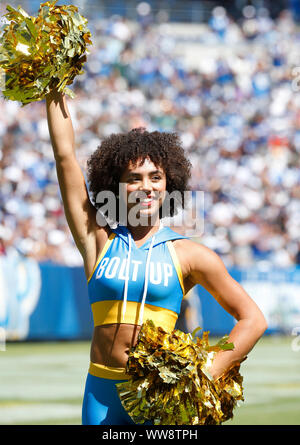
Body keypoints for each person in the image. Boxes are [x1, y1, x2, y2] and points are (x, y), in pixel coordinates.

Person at [45, 87, 267, 425]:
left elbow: (252, 319)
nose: (146, 186)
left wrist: (207, 371)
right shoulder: (98, 240)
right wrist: (52, 88)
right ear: (116, 187)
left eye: (155, 177)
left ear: (168, 185)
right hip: (100, 394)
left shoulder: (190, 254)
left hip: (158, 399)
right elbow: (64, 156)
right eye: (133, 178)